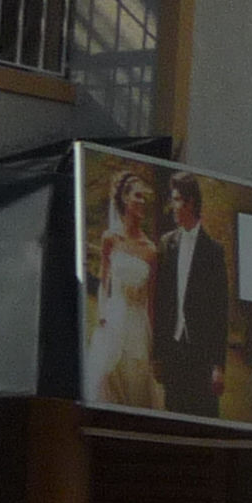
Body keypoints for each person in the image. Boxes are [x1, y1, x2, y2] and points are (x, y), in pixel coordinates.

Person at [152, 172, 230, 419]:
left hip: (202, 357)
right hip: (173, 352)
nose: (172, 206)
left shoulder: (214, 252)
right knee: (173, 418)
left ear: (191, 202)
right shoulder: (166, 244)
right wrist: (157, 355)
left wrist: (218, 367)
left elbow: (220, 312)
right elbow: (161, 303)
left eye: (176, 199)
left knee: (204, 419)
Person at [84, 170, 160, 409]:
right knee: (104, 382)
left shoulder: (150, 250)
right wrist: (103, 316)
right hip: (113, 318)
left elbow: (151, 301)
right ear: (125, 199)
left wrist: (153, 343)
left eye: (144, 197)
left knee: (135, 387)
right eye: (137, 196)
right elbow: (104, 284)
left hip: (137, 327)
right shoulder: (110, 239)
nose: (142, 201)